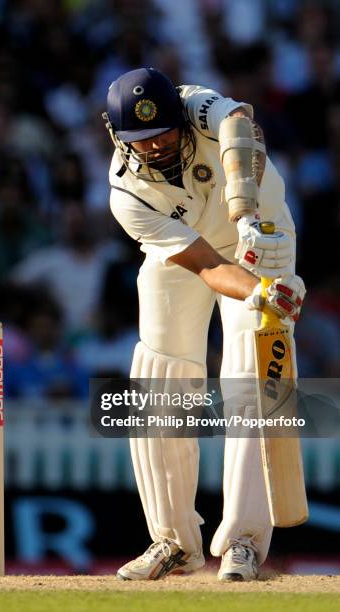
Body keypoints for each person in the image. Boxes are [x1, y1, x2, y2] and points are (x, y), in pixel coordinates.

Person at [103, 68, 305, 582]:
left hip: (263, 234)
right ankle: (172, 541)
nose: (153, 148)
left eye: (163, 134)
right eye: (140, 141)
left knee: (252, 368)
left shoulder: (198, 106)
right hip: (189, 254)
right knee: (158, 372)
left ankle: (242, 541)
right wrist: (258, 291)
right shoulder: (127, 194)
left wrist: (244, 214)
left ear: (180, 118)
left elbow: (239, 124)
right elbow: (210, 267)